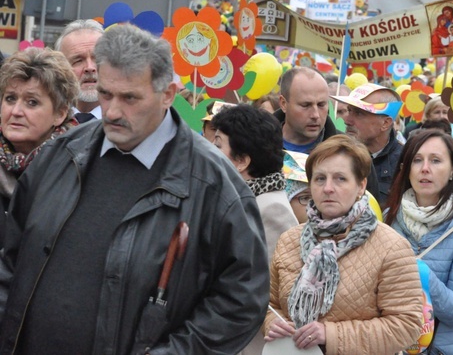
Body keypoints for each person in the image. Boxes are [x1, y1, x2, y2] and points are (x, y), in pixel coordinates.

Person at [0, 25, 269, 354]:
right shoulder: (61, 154)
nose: (112, 111)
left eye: (129, 98)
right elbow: (11, 259)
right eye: (105, 94)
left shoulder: (214, 185)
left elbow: (242, 300)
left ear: (167, 94)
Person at [263, 135, 423, 354]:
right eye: (320, 179)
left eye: (340, 179)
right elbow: (269, 304)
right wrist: (274, 323)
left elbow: (406, 325)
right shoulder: (289, 240)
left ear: (361, 186)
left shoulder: (391, 247)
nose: (328, 188)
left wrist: (329, 335)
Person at [385, 129, 453, 354]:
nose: (425, 168)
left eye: (435, 160)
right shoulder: (388, 219)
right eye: (417, 160)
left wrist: (424, 277)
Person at [210, 103, 297, 261]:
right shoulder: (235, 197)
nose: (210, 151)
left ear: (242, 161)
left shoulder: (272, 210)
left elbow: (271, 279)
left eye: (217, 145)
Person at [0, 48, 78, 214]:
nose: (16, 111)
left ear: (60, 113)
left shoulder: (77, 167)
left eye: (32, 102)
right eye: (10, 98)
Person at [333, 83, 404, 204]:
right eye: (349, 111)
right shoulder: (333, 153)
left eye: (359, 113)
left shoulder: (405, 163)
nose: (347, 120)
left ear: (385, 123)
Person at [275, 67, 339, 154]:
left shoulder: (345, 150)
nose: (315, 115)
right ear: (283, 104)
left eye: (321, 105)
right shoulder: (256, 143)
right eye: (305, 105)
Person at [55, 18, 104, 123]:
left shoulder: (132, 125)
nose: (90, 67)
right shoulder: (45, 123)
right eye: (78, 61)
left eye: (97, 58)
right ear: (60, 68)